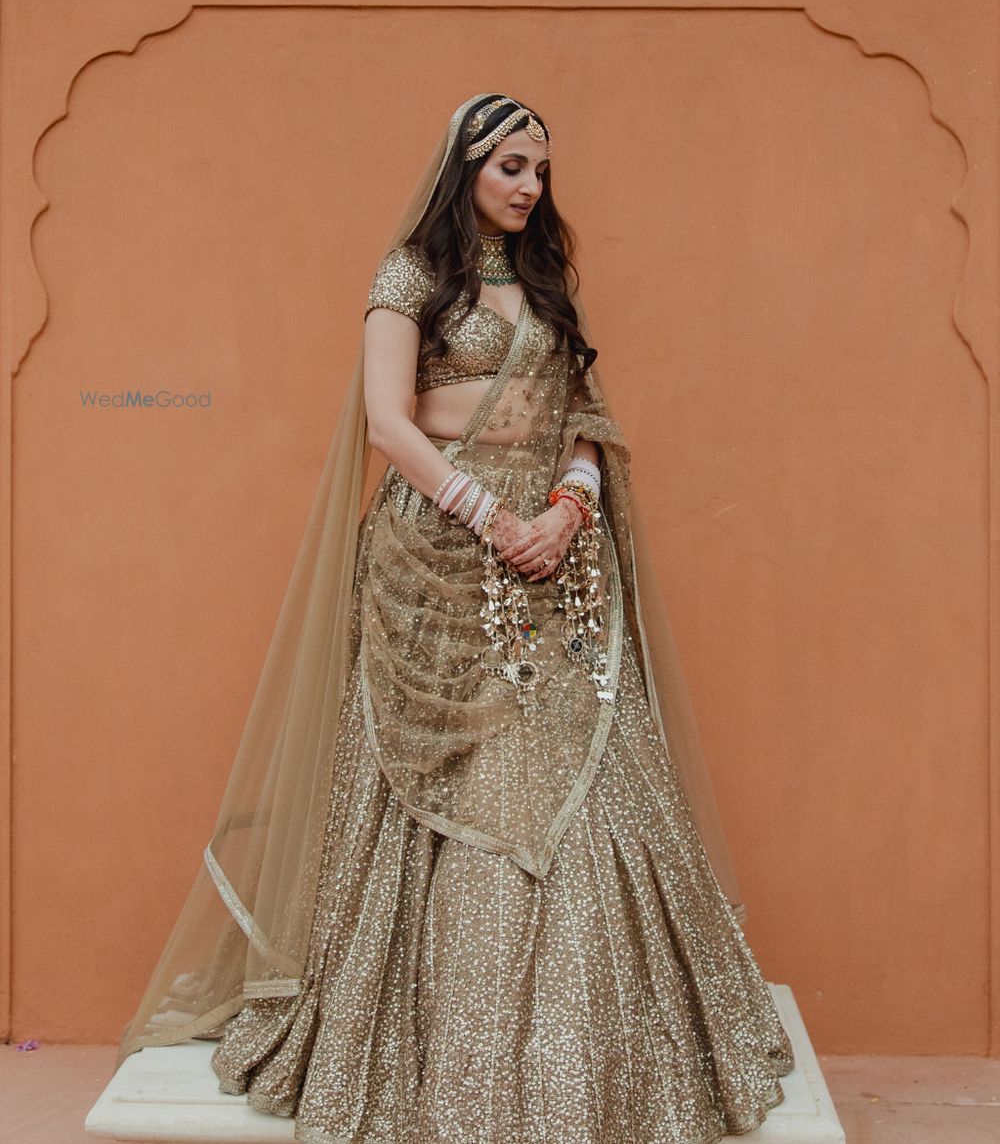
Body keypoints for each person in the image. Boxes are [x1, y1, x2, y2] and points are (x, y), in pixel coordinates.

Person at [114, 94, 794, 1142]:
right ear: (464, 167)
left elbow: (584, 418)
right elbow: (388, 422)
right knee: (451, 777)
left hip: (557, 570)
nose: (528, 186)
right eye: (510, 165)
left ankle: (595, 1056)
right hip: (435, 561)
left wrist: (570, 507)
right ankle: (442, 1053)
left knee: (587, 777)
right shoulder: (409, 279)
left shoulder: (545, 286)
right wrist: (492, 517)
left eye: (539, 171)